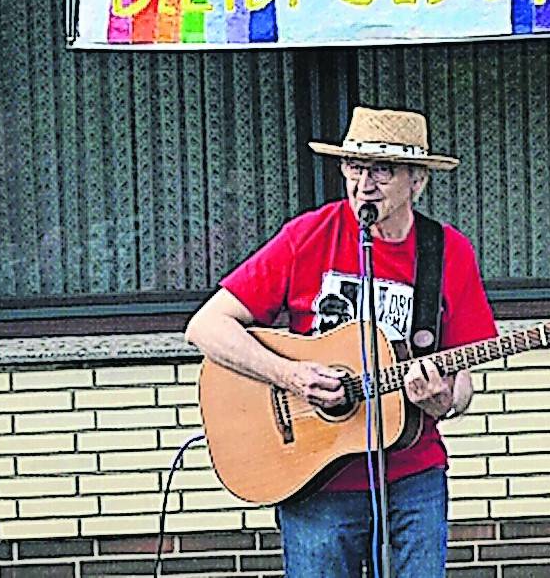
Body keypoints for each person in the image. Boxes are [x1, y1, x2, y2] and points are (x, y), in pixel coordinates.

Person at [185, 105, 497, 578]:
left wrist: (442, 401)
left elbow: (463, 382)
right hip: (315, 479)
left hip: (412, 479)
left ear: (418, 181)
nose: (363, 185)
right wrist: (291, 374)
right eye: (354, 167)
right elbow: (207, 326)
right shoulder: (308, 236)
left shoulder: (447, 251)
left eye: (382, 170)